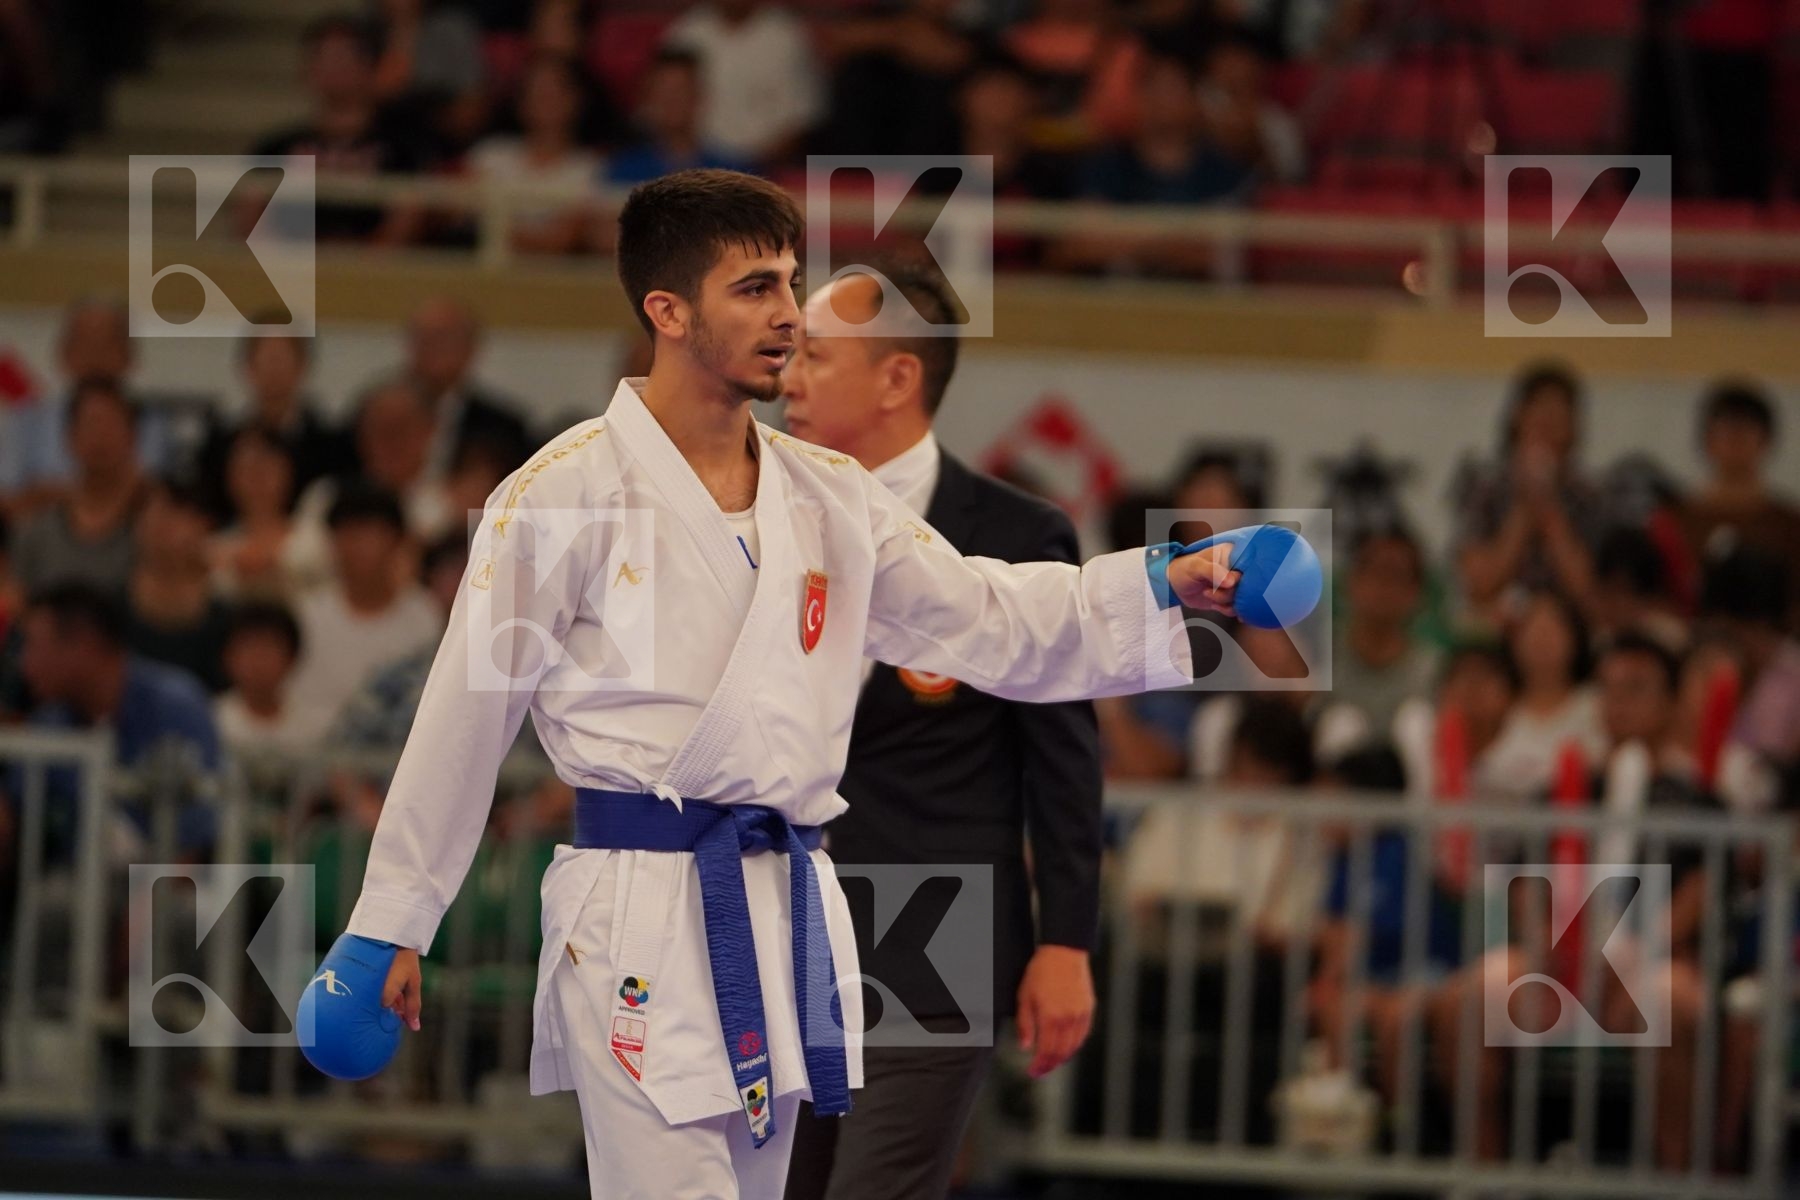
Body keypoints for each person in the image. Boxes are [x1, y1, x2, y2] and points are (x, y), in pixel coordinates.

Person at [327, 169, 1237, 1198]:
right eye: (755, 289)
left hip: (792, 901)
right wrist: (389, 920)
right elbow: (466, 717)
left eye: (790, 284)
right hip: (640, 902)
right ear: (667, 312)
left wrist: (1163, 584)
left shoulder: (829, 495)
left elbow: (995, 620)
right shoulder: (562, 496)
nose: (788, 318)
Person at [779, 264, 1104, 1200]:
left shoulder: (1013, 533)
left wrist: (1066, 941)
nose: (787, 377)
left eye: (815, 356)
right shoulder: (754, 516)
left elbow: (1064, 759)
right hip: (784, 911)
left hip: (938, 920)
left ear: (896, 380)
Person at [17, 583, 219, 857]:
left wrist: (142, 900)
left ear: (84, 643)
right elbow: (12, 813)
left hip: (167, 892)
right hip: (69, 889)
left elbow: (192, 843)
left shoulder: (176, 704)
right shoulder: (49, 724)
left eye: (35, 645)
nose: (25, 664)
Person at [283, 484, 443, 741]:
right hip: (314, 758)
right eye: (346, 534)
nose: (355, 547)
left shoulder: (425, 616)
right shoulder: (305, 616)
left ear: (397, 541)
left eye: (368, 534)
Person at [251, 15, 431, 244]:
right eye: (321, 57)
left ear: (370, 67)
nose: (332, 67)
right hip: (288, 272)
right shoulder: (274, 147)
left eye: (342, 57)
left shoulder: (404, 148)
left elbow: (406, 220)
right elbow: (251, 221)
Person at [1453, 364, 1603, 628]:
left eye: (1559, 419)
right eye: (1540, 416)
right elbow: (1478, 584)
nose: (1547, 427)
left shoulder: (1588, 496)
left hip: (1566, 628)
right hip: (1495, 622)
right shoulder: (1484, 488)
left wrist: (1549, 510)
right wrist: (1523, 510)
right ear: (1517, 417)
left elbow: (1588, 590)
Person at [1678, 380, 1800, 631]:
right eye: (1726, 432)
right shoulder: (1677, 518)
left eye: (1745, 432)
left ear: (1765, 441)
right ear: (1707, 440)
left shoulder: (1788, 523)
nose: (1735, 442)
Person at [11, 377, 147, 599]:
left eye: (112, 424)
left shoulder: (153, 526)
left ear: (133, 437)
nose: (101, 436)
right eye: (92, 423)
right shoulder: (35, 530)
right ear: (69, 438)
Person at [466, 53, 603, 257]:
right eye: (536, 90)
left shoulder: (590, 167)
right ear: (521, 101)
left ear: (576, 99)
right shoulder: (489, 155)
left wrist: (497, 231)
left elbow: (563, 240)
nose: (545, 98)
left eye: (556, 90)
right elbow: (463, 214)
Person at [662, 0, 824, 168]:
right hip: (700, 166)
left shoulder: (786, 35)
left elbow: (803, 116)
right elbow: (666, 104)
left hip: (771, 169)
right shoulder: (688, 32)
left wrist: (757, 166)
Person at [399, 295, 532, 476]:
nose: (433, 348)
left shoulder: (503, 430)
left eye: (444, 338)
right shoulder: (374, 417)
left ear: (471, 348)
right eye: (423, 338)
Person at [126, 480, 231, 693]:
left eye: (172, 513)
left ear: (204, 524)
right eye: (148, 513)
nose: (157, 522)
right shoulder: (112, 600)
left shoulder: (229, 598)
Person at [604, 48, 747, 189]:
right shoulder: (623, 170)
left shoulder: (732, 173)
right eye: (663, 92)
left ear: (699, 96)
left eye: (680, 90)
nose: (672, 100)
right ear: (647, 100)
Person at [214, 601, 311, 758]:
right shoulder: (214, 721)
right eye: (248, 647)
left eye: (269, 647)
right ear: (228, 657)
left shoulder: (314, 729)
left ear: (292, 658)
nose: (258, 659)